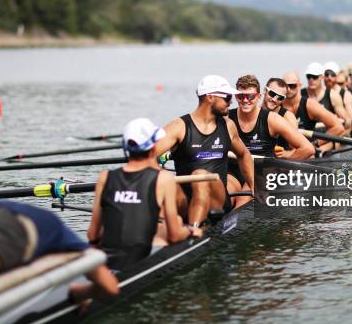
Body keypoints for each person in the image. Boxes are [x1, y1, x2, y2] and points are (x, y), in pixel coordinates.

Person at [86, 118, 202, 272]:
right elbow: (174, 235)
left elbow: (93, 235)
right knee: (177, 222)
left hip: (107, 257)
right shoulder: (164, 178)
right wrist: (191, 231)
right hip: (140, 257)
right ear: (154, 147)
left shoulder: (105, 177)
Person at [155, 75, 255, 227]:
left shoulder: (228, 126)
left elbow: (243, 155)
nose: (232, 102)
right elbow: (146, 157)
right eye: (227, 97)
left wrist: (254, 188)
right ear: (210, 97)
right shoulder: (178, 127)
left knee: (200, 176)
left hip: (218, 201)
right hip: (184, 199)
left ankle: (194, 232)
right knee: (164, 180)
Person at [282, 71, 344, 153]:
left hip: (305, 154)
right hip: (282, 153)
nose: (289, 89)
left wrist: (315, 144)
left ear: (299, 85)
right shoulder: (275, 104)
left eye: (292, 86)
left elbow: (338, 127)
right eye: (285, 86)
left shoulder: (310, 105)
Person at [301, 62, 352, 133]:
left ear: (322, 77)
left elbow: (347, 120)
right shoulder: (301, 94)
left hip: (326, 136)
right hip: (304, 135)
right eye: (309, 76)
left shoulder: (333, 95)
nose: (311, 80)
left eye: (315, 77)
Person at [323, 61, 352, 133]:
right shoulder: (320, 94)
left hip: (343, 133)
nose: (329, 78)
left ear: (337, 76)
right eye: (326, 74)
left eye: (332, 74)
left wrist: (342, 135)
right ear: (322, 76)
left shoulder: (346, 95)